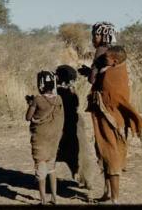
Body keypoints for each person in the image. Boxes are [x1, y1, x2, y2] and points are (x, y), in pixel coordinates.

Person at [88, 45, 142, 204]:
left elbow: (111, 97)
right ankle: (107, 193)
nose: (103, 60)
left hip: (112, 120)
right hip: (109, 118)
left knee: (112, 156)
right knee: (105, 152)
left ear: (114, 61)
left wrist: (96, 92)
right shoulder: (114, 70)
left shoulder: (113, 75)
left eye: (106, 58)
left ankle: (115, 199)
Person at [55, 65, 96, 195]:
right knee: (81, 152)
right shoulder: (72, 92)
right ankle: (86, 179)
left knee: (52, 151)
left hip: (61, 124)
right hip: (75, 123)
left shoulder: (58, 93)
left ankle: (44, 177)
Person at [25, 71, 64, 205]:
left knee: (40, 169)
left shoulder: (38, 99)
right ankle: (54, 197)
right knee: (51, 167)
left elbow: (28, 117)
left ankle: (43, 200)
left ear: (41, 84)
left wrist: (30, 104)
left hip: (40, 140)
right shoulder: (58, 99)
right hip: (53, 139)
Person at [78, 22, 117, 111]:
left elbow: (92, 80)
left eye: (95, 36)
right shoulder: (115, 50)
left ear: (102, 36)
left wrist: (89, 73)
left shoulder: (101, 50)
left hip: (104, 95)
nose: (93, 39)